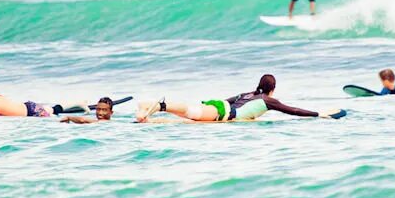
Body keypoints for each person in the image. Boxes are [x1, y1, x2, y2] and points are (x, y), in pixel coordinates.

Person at [136, 74, 342, 122]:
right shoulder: (269, 101)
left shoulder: (248, 94)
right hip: (222, 111)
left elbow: (229, 99)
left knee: (191, 117)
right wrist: (319, 114)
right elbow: (293, 111)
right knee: (191, 112)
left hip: (220, 107)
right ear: (273, 89)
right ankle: (158, 105)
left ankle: (155, 111)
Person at [0, 82, 82, 117]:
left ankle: (79, 106)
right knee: (52, 110)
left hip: (31, 112)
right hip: (29, 106)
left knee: (54, 116)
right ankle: (78, 103)